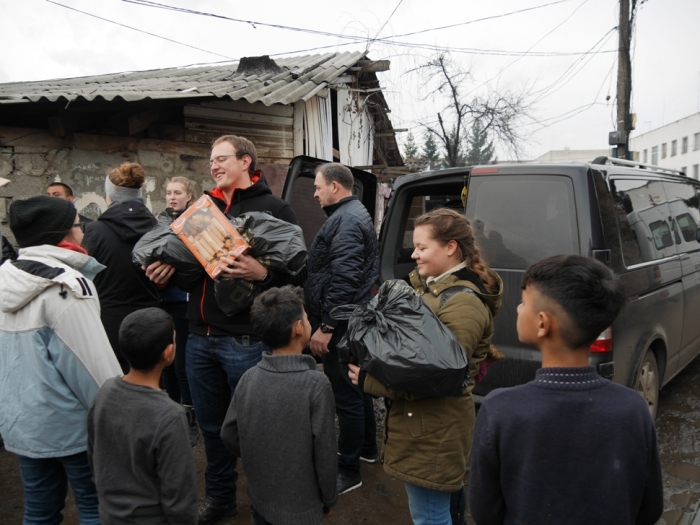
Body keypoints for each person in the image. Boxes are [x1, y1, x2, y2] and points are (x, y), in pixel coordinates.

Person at [145, 135, 298, 524]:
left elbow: (296, 275)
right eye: (210, 160)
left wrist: (261, 272)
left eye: (221, 158)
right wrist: (166, 276)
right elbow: (193, 278)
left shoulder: (275, 208)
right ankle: (220, 499)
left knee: (257, 431)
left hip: (245, 341)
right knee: (212, 429)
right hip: (199, 339)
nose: (213, 166)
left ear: (246, 161)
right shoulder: (202, 209)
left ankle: (268, 505)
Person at [468, 255, 664, 525]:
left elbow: (485, 512)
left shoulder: (500, 409)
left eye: (524, 302)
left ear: (542, 323)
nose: (517, 308)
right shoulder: (632, 408)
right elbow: (650, 508)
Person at [348, 208, 503, 525]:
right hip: (424, 424)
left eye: (422, 247)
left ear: (450, 247)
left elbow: (440, 376)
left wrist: (370, 381)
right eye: (414, 246)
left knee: (430, 517)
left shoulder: (461, 302)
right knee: (440, 512)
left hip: (434, 430)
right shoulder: (430, 288)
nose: (414, 254)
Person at [0, 195, 122, 524]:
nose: (84, 230)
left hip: (23, 425)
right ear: (65, 234)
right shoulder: (66, 287)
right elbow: (92, 368)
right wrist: (119, 420)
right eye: (79, 224)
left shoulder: (6, 277)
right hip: (73, 430)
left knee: (39, 510)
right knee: (96, 507)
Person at [221, 286, 338, 525]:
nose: (307, 322)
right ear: (298, 328)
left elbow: (229, 433)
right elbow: (325, 453)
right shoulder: (316, 384)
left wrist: (261, 456)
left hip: (261, 500)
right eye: (306, 318)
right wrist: (329, 498)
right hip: (302, 510)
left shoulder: (249, 377)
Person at [304, 162, 380, 495]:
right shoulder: (351, 214)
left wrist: (326, 326)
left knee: (346, 396)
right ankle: (367, 448)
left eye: (319, 187)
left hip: (342, 323)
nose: (315, 193)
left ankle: (349, 470)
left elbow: (345, 279)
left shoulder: (347, 220)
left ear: (335, 186)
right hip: (350, 320)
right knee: (356, 385)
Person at [87, 307, 198, 525]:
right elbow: (180, 494)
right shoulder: (170, 415)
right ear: (168, 353)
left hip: (110, 514)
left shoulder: (105, 392)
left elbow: (93, 454)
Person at [83, 162, 159, 372]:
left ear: (109, 197)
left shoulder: (94, 231)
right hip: (151, 320)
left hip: (108, 323)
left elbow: (84, 278)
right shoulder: (158, 230)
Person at [158, 176, 199, 446]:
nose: (172, 197)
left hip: (186, 301)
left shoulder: (197, 221)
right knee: (166, 363)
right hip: (163, 301)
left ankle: (189, 415)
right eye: (169, 193)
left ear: (189, 196)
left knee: (183, 362)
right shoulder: (159, 222)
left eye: (178, 193)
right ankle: (172, 409)